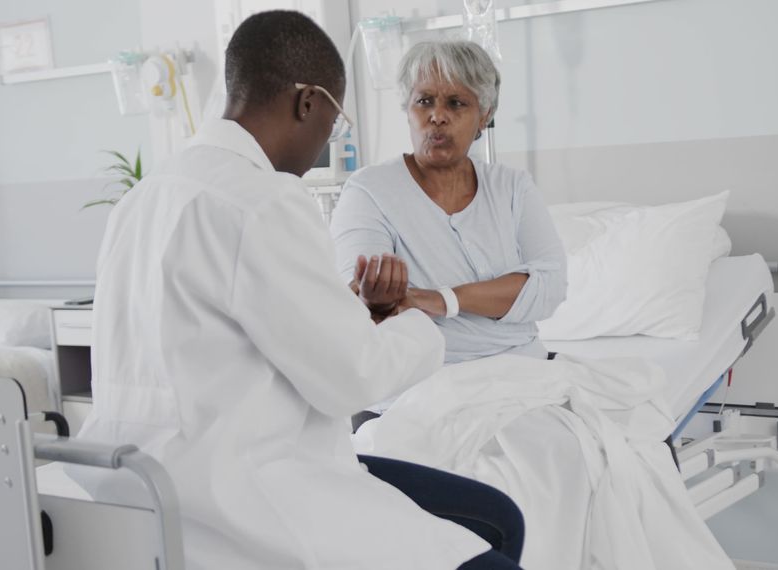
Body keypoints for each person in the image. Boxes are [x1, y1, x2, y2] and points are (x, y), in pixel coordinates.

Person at [76, 12, 522, 570]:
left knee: (498, 517)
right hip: (246, 497)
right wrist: (417, 317)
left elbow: (253, 328)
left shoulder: (143, 198)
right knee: (493, 543)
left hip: (140, 486)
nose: (325, 145)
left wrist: (365, 316)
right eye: (333, 122)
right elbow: (351, 378)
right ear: (307, 102)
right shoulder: (264, 200)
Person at [330, 41, 567, 377]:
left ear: (484, 116)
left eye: (456, 103)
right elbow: (359, 294)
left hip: (523, 369)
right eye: (424, 101)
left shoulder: (512, 187)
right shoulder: (369, 191)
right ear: (408, 109)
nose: (437, 116)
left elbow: (550, 287)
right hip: (423, 381)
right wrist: (378, 300)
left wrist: (441, 300)